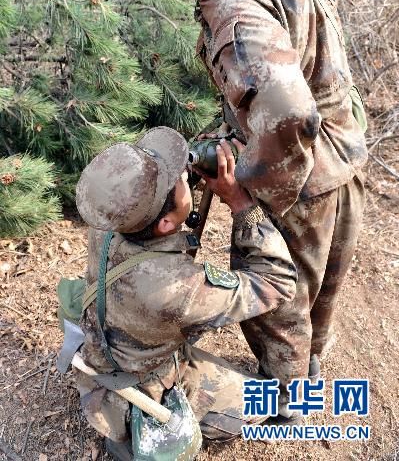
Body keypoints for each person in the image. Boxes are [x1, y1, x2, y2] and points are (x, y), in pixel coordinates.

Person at [116, 0, 368, 421]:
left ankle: (285, 403)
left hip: (298, 177)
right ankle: (308, 373)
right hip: (340, 150)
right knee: (318, 288)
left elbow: (285, 110)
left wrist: (249, 192)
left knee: (278, 294)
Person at [75, 126, 297, 459]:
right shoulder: (178, 290)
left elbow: (163, 220)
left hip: (107, 351)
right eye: (177, 180)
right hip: (145, 382)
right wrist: (241, 204)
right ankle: (136, 424)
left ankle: (119, 415)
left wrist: (186, 171)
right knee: (261, 401)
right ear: (165, 223)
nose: (183, 177)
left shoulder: (110, 218)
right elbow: (279, 281)